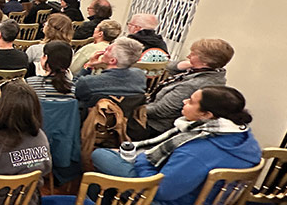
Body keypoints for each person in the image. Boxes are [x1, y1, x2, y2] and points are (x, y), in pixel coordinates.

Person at [91, 86, 261, 205]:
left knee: (100, 157)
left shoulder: (196, 150)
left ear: (206, 115)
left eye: (191, 102)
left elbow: (162, 191)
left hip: (169, 198)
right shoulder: (243, 135)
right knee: (105, 174)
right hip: (204, 195)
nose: (184, 101)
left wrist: (144, 158)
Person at [139, 39, 233, 140]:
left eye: (192, 55)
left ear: (205, 62)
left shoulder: (195, 84)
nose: (188, 56)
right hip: (150, 110)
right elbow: (168, 66)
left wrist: (133, 108)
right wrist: (185, 64)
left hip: (155, 126)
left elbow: (160, 111)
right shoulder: (213, 72)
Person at [74, 37, 147, 105]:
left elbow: (71, 90)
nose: (104, 50)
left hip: (92, 117)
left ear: (112, 60)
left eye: (108, 50)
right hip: (128, 117)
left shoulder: (88, 82)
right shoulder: (140, 76)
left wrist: (88, 66)